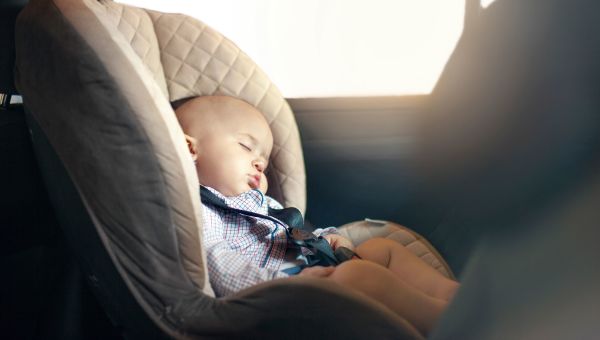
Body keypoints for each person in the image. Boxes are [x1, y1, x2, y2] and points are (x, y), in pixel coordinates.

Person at [175, 95, 459, 335]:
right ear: (190, 148)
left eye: (264, 158)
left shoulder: (260, 204)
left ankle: (455, 297)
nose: (260, 163)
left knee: (380, 249)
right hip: (281, 295)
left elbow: (293, 234)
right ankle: (453, 325)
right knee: (358, 276)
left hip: (312, 265)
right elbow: (221, 263)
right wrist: (285, 284)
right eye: (246, 146)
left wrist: (330, 238)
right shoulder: (203, 210)